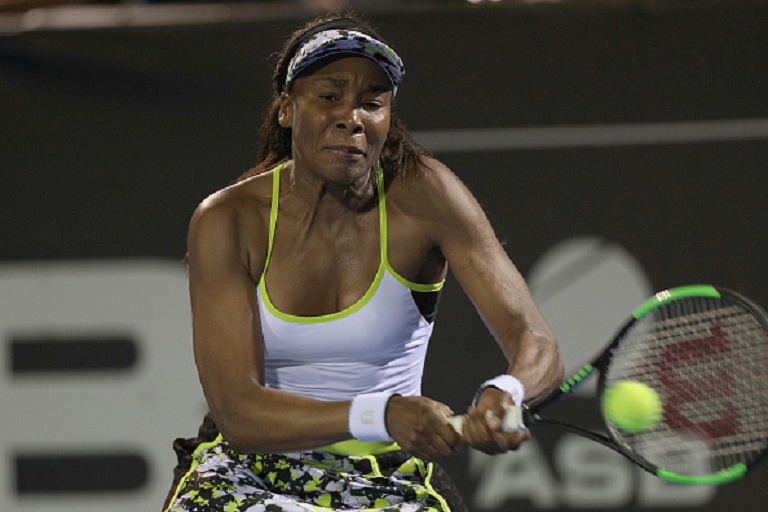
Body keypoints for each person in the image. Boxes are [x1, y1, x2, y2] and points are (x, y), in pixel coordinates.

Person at [164, 10, 563, 512]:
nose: (351, 117)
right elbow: (238, 411)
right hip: (250, 475)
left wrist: (507, 389)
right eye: (329, 96)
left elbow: (536, 341)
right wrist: (382, 414)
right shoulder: (227, 219)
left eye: (371, 103)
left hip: (390, 480)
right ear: (287, 109)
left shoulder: (427, 195)